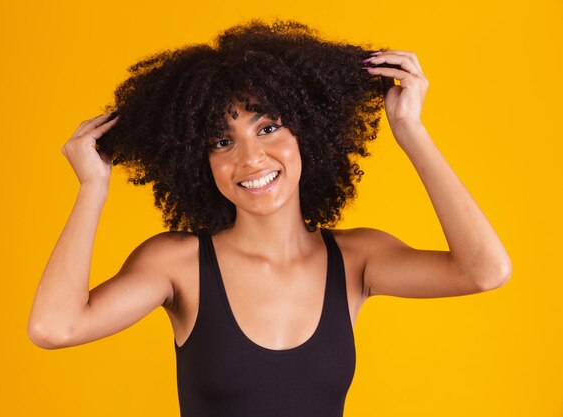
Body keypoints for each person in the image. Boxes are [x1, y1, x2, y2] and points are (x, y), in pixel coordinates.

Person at [28, 19, 512, 417]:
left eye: (269, 127)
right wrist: (93, 186)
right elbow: (55, 328)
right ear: (199, 161)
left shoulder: (357, 259)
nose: (251, 157)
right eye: (222, 141)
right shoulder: (176, 264)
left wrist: (410, 130)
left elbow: (485, 270)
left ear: (309, 133)